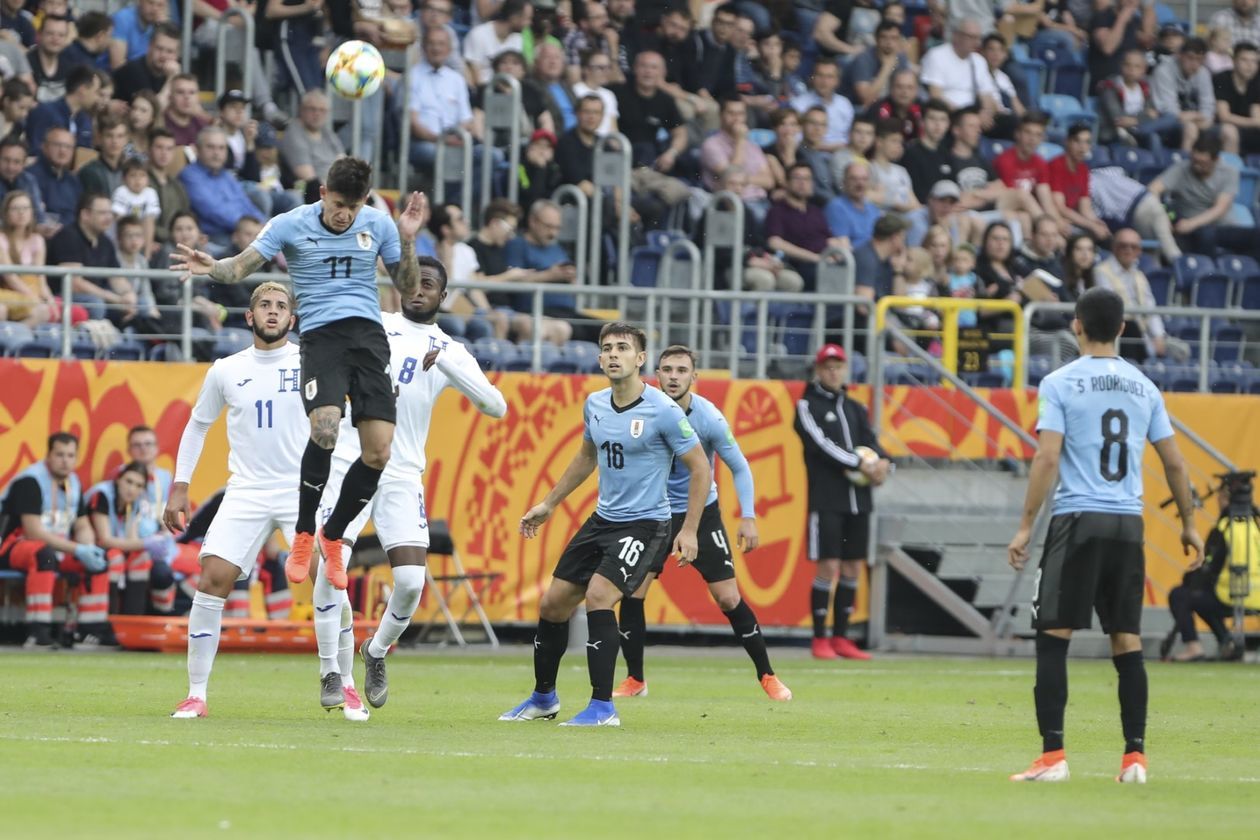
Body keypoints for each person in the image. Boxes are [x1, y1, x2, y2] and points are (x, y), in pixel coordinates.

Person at [171, 159, 427, 593]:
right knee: (325, 429)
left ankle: (333, 531)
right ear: (323, 193)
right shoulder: (291, 224)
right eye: (339, 204)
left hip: (368, 339)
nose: (345, 214)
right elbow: (239, 267)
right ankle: (305, 533)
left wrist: (406, 238)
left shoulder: (379, 225)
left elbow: (408, 288)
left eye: (355, 205)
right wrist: (210, 266)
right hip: (322, 338)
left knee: (379, 453)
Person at [1006, 286, 1203, 784]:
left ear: (1076, 325)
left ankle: (1053, 757)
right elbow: (1175, 463)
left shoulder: (1059, 382)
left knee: (1053, 637)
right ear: (1121, 328)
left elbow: (1047, 457)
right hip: (1128, 524)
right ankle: (1134, 758)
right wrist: (1189, 524)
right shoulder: (1145, 386)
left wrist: (1027, 524)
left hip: (1078, 518)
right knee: (1127, 640)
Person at [314, 256, 507, 713]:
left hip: (401, 473)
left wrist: (445, 365)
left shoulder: (450, 348)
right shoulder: (373, 323)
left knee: (409, 582)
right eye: (413, 282)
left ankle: (375, 652)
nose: (419, 289)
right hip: (350, 460)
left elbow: (496, 406)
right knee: (331, 563)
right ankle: (330, 671)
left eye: (430, 284)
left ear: (444, 295)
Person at [500, 322, 710, 727]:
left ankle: (602, 707)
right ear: (599, 359)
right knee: (553, 604)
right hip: (604, 520)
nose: (614, 354)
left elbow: (700, 467)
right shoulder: (595, 404)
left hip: (647, 524)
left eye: (623, 348)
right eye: (608, 348)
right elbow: (585, 456)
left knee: (599, 595)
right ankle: (543, 698)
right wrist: (548, 503)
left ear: (640, 359)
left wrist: (689, 530)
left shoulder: (663, 410)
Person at [162, 283, 321, 719]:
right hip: (247, 489)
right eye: (264, 306)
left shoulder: (312, 360)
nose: (273, 312)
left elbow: (337, 423)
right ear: (249, 317)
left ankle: (343, 684)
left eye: (281, 306)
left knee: (326, 576)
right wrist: (180, 484)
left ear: (292, 318)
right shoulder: (226, 369)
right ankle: (196, 694)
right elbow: (197, 427)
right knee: (212, 577)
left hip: (299, 490)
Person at [613, 345, 792, 702]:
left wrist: (749, 517)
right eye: (667, 370)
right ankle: (635, 679)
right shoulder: (641, 409)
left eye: (682, 370)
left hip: (701, 512)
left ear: (694, 377)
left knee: (727, 598)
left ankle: (768, 675)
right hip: (652, 514)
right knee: (632, 593)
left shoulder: (708, 416)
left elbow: (739, 465)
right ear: (656, 374)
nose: (674, 377)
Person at [794, 343, 891, 660]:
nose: (833, 372)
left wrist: (884, 465)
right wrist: (859, 463)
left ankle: (842, 638)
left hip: (859, 501)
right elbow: (821, 444)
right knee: (829, 565)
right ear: (818, 370)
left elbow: (873, 444)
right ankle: (820, 638)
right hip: (827, 499)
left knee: (852, 566)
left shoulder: (855, 407)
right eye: (828, 367)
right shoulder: (807, 405)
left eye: (838, 367)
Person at [0, 432, 108, 648]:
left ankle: (89, 632)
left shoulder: (73, 483)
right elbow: (33, 532)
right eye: (59, 454)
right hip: (13, 547)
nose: (65, 460)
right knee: (44, 556)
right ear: (48, 455)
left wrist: (87, 547)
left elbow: (82, 524)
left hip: (56, 547)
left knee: (100, 561)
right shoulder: (30, 481)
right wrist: (77, 549)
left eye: (70, 455)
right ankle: (37, 632)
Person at [1161, 480, 1254, 662]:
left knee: (1181, 595)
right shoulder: (1254, 527)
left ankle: (1193, 647)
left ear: (1225, 499)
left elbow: (1208, 569)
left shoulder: (1223, 529)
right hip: (1255, 596)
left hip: (1231, 596)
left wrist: (1189, 578)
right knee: (1200, 595)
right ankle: (1226, 641)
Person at [85, 460, 176, 616]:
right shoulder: (102, 494)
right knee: (116, 557)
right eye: (129, 481)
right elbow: (104, 539)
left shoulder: (134, 503)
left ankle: (133, 618)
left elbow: (132, 540)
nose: (132, 489)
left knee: (141, 558)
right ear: (119, 479)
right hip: (90, 548)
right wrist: (145, 543)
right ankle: (109, 621)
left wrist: (151, 544)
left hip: (113, 548)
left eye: (139, 486)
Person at [1147, 132, 1246, 258]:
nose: (1196, 166)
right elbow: (1152, 189)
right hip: (1192, 231)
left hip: (1222, 227)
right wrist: (1163, 217)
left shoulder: (1229, 172)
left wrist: (1191, 223)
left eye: (1202, 163)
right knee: (1206, 234)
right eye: (1194, 160)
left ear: (1215, 160)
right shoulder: (1182, 169)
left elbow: (1220, 209)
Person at [1092, 227, 1170, 363]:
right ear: (1114, 247)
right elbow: (1111, 308)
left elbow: (1150, 307)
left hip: (1144, 336)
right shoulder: (1101, 272)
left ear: (1139, 251)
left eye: (1133, 247)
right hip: (1120, 335)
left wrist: (1159, 336)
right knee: (1131, 327)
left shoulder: (1139, 275)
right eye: (1123, 246)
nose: (1128, 250)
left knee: (1181, 351)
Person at [1150, 37, 1215, 152]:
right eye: (1190, 58)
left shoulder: (1203, 72)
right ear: (1179, 55)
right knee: (1190, 128)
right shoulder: (1164, 71)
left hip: (1194, 120)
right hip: (1164, 122)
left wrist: (1199, 117)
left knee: (1229, 131)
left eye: (1199, 60)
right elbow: (1168, 110)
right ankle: (1185, 165)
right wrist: (1196, 116)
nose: (1194, 64)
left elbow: (1208, 106)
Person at [1048, 123, 1112, 242]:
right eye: (1077, 141)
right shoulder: (1056, 166)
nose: (1082, 147)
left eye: (1087, 142)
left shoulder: (1083, 170)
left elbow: (1085, 209)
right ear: (1067, 142)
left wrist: (1096, 222)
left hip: (1072, 221)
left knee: (1106, 236)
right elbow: (1060, 207)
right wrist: (1091, 225)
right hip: (1056, 220)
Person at [24, 61, 97, 151]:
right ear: (82, 89)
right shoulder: (45, 112)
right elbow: (35, 150)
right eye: (96, 92)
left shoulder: (85, 120)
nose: (97, 98)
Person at [1213, 40, 1260, 156]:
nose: (1250, 65)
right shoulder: (1221, 78)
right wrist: (1254, 122)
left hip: (1246, 129)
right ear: (1233, 61)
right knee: (1230, 131)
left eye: (1254, 61)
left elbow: (1256, 112)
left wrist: (1255, 122)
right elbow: (1224, 116)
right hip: (1219, 128)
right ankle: (1232, 172)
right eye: (1244, 60)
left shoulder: (1257, 82)